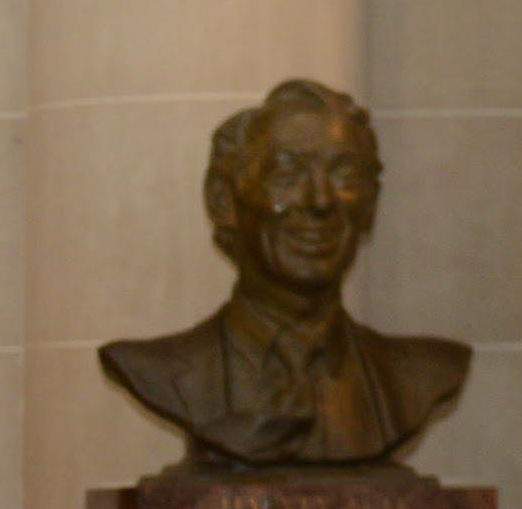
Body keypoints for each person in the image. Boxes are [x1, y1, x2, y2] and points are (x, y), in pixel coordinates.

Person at [94, 78, 470, 470]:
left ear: (370, 205)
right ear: (223, 200)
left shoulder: (418, 376)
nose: (320, 201)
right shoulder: (163, 371)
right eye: (287, 176)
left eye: (345, 176)